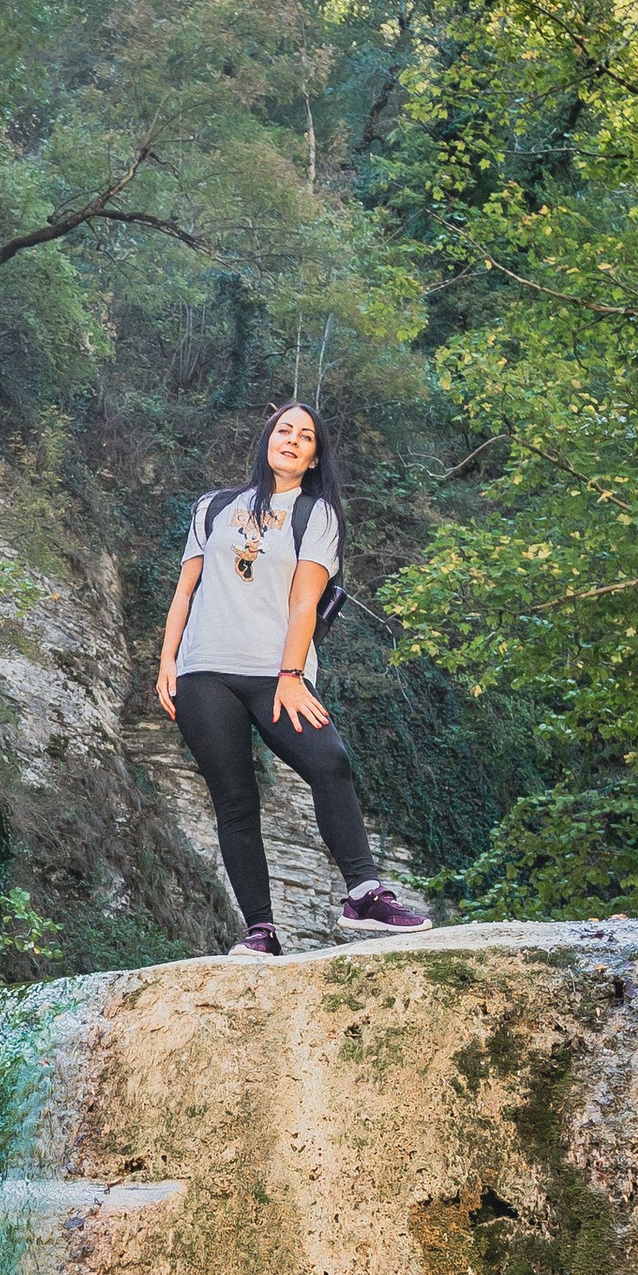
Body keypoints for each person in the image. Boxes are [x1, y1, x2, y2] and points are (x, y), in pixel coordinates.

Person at [153, 401, 430, 960]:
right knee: (234, 801)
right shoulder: (213, 507)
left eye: (305, 437)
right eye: (284, 430)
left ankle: (364, 894)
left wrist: (290, 674)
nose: (292, 440)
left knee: (329, 763)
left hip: (275, 674)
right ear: (267, 440)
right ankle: (261, 932)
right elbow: (185, 590)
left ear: (313, 457)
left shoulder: (317, 514)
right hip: (205, 672)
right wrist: (167, 663)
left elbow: (306, 599)